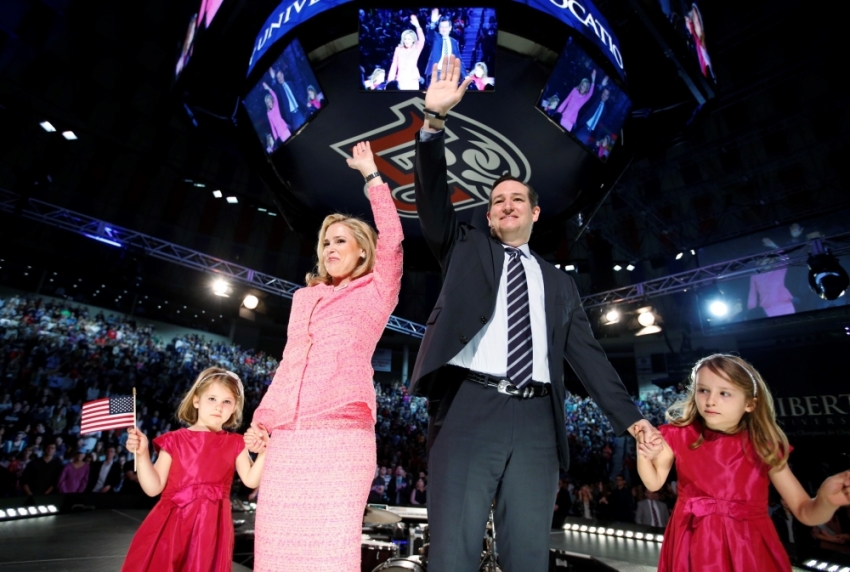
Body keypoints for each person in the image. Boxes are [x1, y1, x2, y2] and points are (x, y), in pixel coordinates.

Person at [410, 56, 661, 571]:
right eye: (497, 201)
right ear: (488, 216)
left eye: (517, 199)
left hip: (537, 425)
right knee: (452, 555)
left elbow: (589, 359)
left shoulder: (560, 283)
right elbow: (433, 202)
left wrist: (634, 422)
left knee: (528, 558)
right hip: (469, 409)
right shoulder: (465, 248)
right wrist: (433, 123)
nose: (507, 205)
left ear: (534, 211)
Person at [244, 140, 403, 571]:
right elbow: (290, 363)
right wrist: (263, 421)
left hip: (341, 438)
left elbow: (393, 241)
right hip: (289, 441)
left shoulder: (376, 292)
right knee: (277, 553)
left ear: (362, 250)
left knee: (330, 555)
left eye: (340, 241)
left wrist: (372, 177)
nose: (330, 248)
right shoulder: (304, 299)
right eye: (325, 242)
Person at [637, 353, 850, 571]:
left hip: (748, 551)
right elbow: (654, 483)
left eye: (724, 393)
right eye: (703, 390)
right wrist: (643, 450)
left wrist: (826, 500)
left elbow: (805, 512)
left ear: (750, 403)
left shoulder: (763, 446)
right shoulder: (678, 435)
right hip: (691, 547)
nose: (710, 400)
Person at [120, 368, 267, 572]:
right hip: (173, 524)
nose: (219, 406)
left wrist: (264, 453)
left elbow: (251, 480)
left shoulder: (236, 443)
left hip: (211, 528)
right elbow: (153, 488)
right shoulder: (174, 440)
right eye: (212, 399)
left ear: (234, 407)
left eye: (227, 401)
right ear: (196, 400)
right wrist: (143, 454)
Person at [426, 10, 466, 83]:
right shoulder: (435, 37)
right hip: (436, 73)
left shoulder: (454, 42)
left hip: (449, 74)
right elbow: (429, 36)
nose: (444, 29)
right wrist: (433, 23)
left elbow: (458, 60)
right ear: (439, 28)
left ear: (450, 28)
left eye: (446, 27)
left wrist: (465, 75)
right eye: (441, 27)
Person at [387, 15, 425, 90]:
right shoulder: (398, 49)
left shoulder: (416, 49)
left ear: (413, 40)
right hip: (401, 81)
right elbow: (394, 66)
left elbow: (422, 40)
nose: (407, 41)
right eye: (405, 39)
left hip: (413, 81)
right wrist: (389, 82)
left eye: (409, 39)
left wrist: (417, 26)